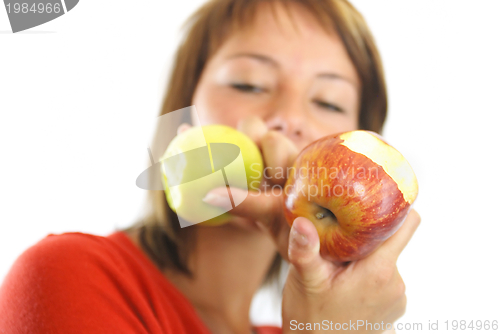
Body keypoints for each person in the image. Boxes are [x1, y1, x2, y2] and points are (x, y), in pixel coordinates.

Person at [0, 0, 421, 333]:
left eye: (328, 102)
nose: (286, 117)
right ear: (183, 119)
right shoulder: (71, 277)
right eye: (248, 84)